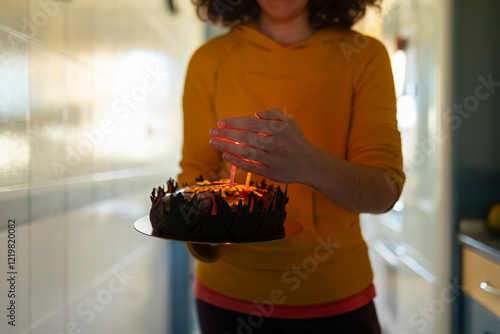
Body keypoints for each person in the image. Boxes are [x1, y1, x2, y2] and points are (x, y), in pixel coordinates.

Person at [178, 0, 405, 333]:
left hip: (335, 295)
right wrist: (203, 228)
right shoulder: (209, 59)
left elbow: (383, 191)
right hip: (227, 298)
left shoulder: (364, 55)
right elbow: (194, 173)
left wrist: (308, 165)